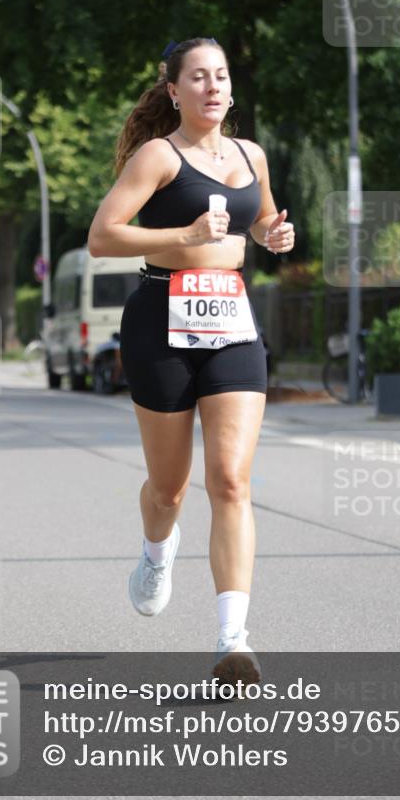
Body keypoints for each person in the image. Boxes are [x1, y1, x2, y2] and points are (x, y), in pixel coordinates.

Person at [88, 37, 295, 683]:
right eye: (197, 78)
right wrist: (183, 234)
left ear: (230, 90)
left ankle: (232, 638)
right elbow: (102, 237)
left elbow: (257, 220)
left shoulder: (249, 154)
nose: (212, 87)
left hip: (229, 316)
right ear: (173, 90)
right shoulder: (158, 155)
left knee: (230, 481)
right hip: (160, 317)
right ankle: (156, 552)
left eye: (221, 77)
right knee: (169, 488)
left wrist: (272, 234)